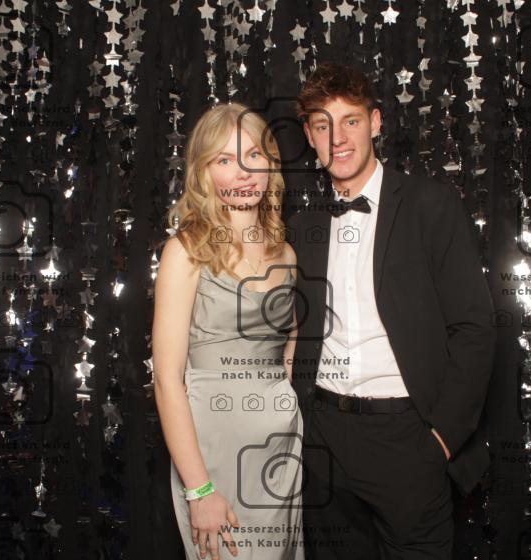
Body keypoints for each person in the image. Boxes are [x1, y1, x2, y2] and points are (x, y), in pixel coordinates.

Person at [286, 62, 497, 559]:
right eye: (323, 126)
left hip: (407, 439)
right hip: (323, 439)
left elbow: (474, 327)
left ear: (376, 122)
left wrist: (441, 439)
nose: (338, 138)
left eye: (351, 121)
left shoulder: (430, 205)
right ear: (310, 137)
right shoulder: (302, 226)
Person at [153, 102, 305, 560]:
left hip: (280, 451)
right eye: (225, 159)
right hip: (211, 451)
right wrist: (199, 488)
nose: (243, 171)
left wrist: (281, 403)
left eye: (254, 155)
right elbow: (166, 380)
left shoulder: (286, 255)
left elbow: (288, 345)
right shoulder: (186, 251)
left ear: (270, 164)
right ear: (204, 172)